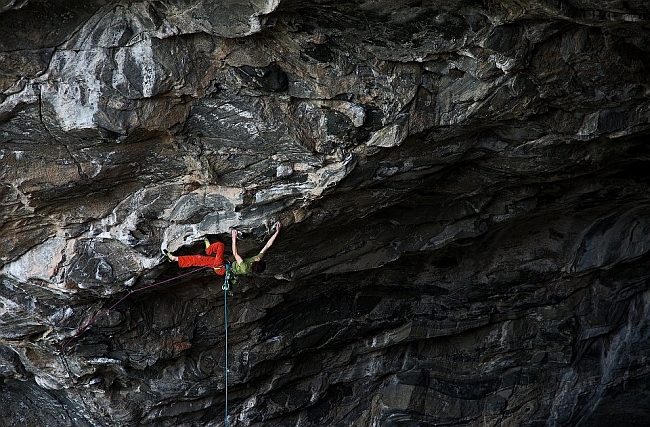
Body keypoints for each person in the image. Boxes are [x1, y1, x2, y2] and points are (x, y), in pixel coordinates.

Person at [164, 221, 282, 277]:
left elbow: (235, 253)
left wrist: (234, 237)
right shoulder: (256, 260)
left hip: (221, 268)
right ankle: (174, 259)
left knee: (220, 246)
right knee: (199, 260)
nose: (258, 258)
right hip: (223, 265)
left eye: (258, 259)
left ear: (257, 262)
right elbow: (267, 246)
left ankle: (209, 249)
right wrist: (277, 232)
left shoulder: (245, 267)